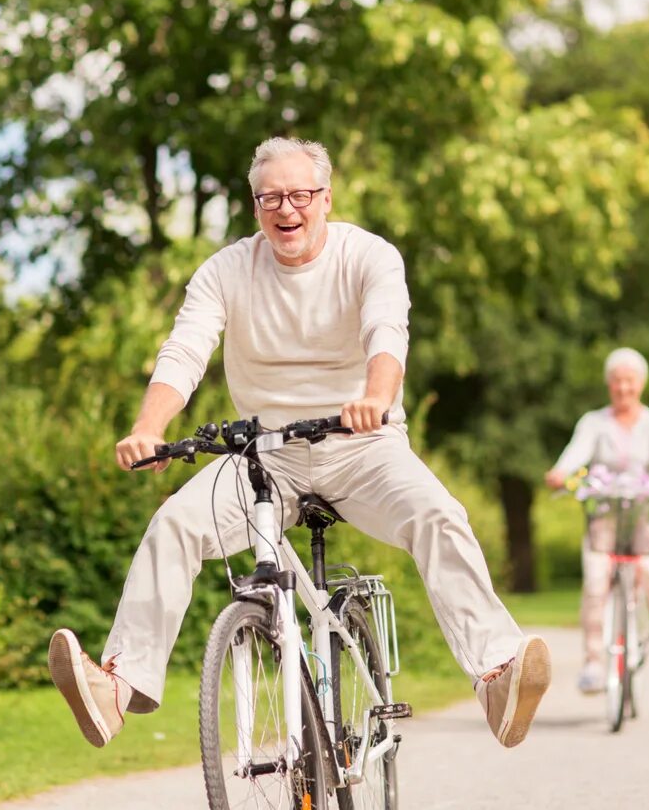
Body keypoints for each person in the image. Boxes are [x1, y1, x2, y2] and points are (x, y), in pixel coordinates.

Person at [47, 136, 551, 750]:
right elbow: (185, 350)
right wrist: (148, 428)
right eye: (271, 198)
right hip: (265, 456)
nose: (287, 209)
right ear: (255, 206)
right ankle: (117, 688)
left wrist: (375, 397)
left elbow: (387, 332)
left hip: (363, 445)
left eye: (300, 195)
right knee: (174, 524)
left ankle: (497, 675)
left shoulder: (369, 256)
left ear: (326, 199)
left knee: (439, 515)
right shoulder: (227, 269)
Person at [543, 347, 649, 695]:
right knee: (595, 583)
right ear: (609, 385)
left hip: (646, 515)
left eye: (630, 381)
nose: (623, 388)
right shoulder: (594, 422)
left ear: (640, 384)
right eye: (617, 381)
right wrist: (561, 472)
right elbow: (575, 453)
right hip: (605, 517)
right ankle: (594, 664)